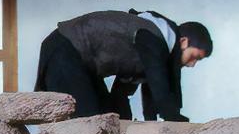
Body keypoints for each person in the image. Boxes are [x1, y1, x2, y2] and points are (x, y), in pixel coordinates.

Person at [34, 9, 212, 121]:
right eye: (194, 57)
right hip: (65, 50)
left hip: (79, 61)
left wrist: (129, 121)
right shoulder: (154, 37)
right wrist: (173, 119)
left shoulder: (151, 44)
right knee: (88, 123)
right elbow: (160, 87)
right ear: (183, 42)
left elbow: (124, 92)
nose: (192, 65)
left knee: (106, 117)